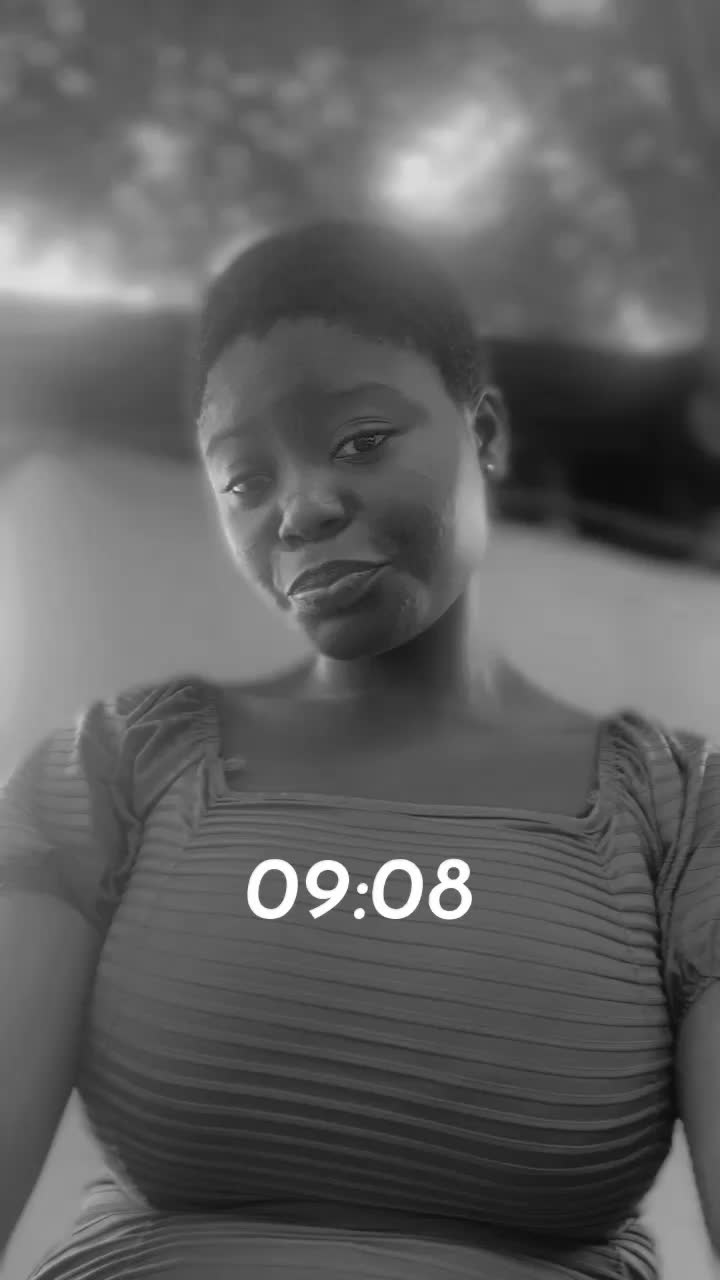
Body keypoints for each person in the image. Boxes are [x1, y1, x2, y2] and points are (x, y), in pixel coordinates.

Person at [1, 219, 719, 1280]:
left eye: (361, 440)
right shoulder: (113, 769)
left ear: (484, 433)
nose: (299, 508)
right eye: (244, 481)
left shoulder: (679, 811)